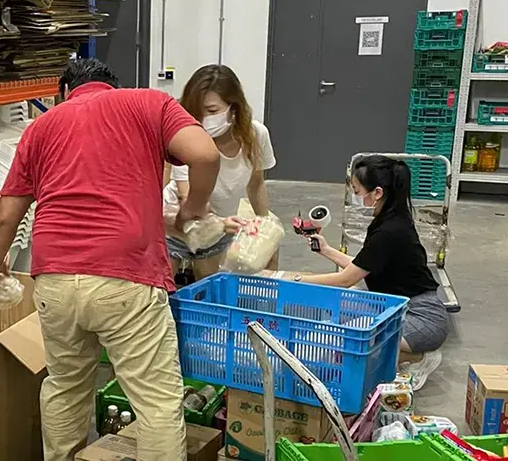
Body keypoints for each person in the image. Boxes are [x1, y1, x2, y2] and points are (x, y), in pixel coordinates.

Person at [0, 58, 227, 461]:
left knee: (64, 386)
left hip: (55, 279)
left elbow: (5, 216)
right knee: (155, 400)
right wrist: (193, 209)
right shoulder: (149, 103)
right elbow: (206, 155)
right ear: (115, 86)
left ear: (63, 92)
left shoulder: (40, 127)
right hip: (126, 276)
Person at [295, 155, 449, 390]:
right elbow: (361, 267)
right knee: (337, 318)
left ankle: (419, 357)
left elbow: (346, 279)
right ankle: (399, 352)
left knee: (355, 346)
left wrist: (298, 281)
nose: (356, 197)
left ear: (377, 192)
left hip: (422, 318)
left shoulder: (388, 231)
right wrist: (326, 250)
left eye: (357, 191)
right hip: (395, 306)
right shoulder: (389, 220)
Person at [163, 64, 277, 279]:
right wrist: (221, 224)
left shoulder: (256, 136)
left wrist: (264, 224)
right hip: (175, 224)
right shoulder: (185, 137)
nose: (203, 119)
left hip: (219, 230)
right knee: (162, 293)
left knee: (212, 293)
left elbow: (256, 183)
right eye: (195, 112)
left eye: (212, 111)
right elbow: (188, 198)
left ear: (234, 107)